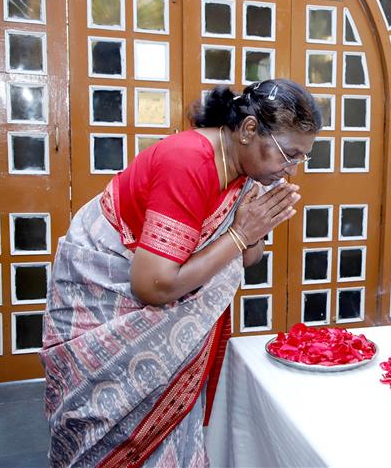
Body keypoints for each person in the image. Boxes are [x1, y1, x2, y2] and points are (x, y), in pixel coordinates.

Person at [40, 80, 322, 468]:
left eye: (299, 159)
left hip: (166, 306)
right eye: (287, 154)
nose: (289, 170)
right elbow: (153, 286)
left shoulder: (248, 171)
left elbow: (246, 257)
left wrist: (257, 225)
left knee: (173, 427)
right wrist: (241, 234)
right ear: (249, 129)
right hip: (105, 298)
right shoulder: (188, 161)